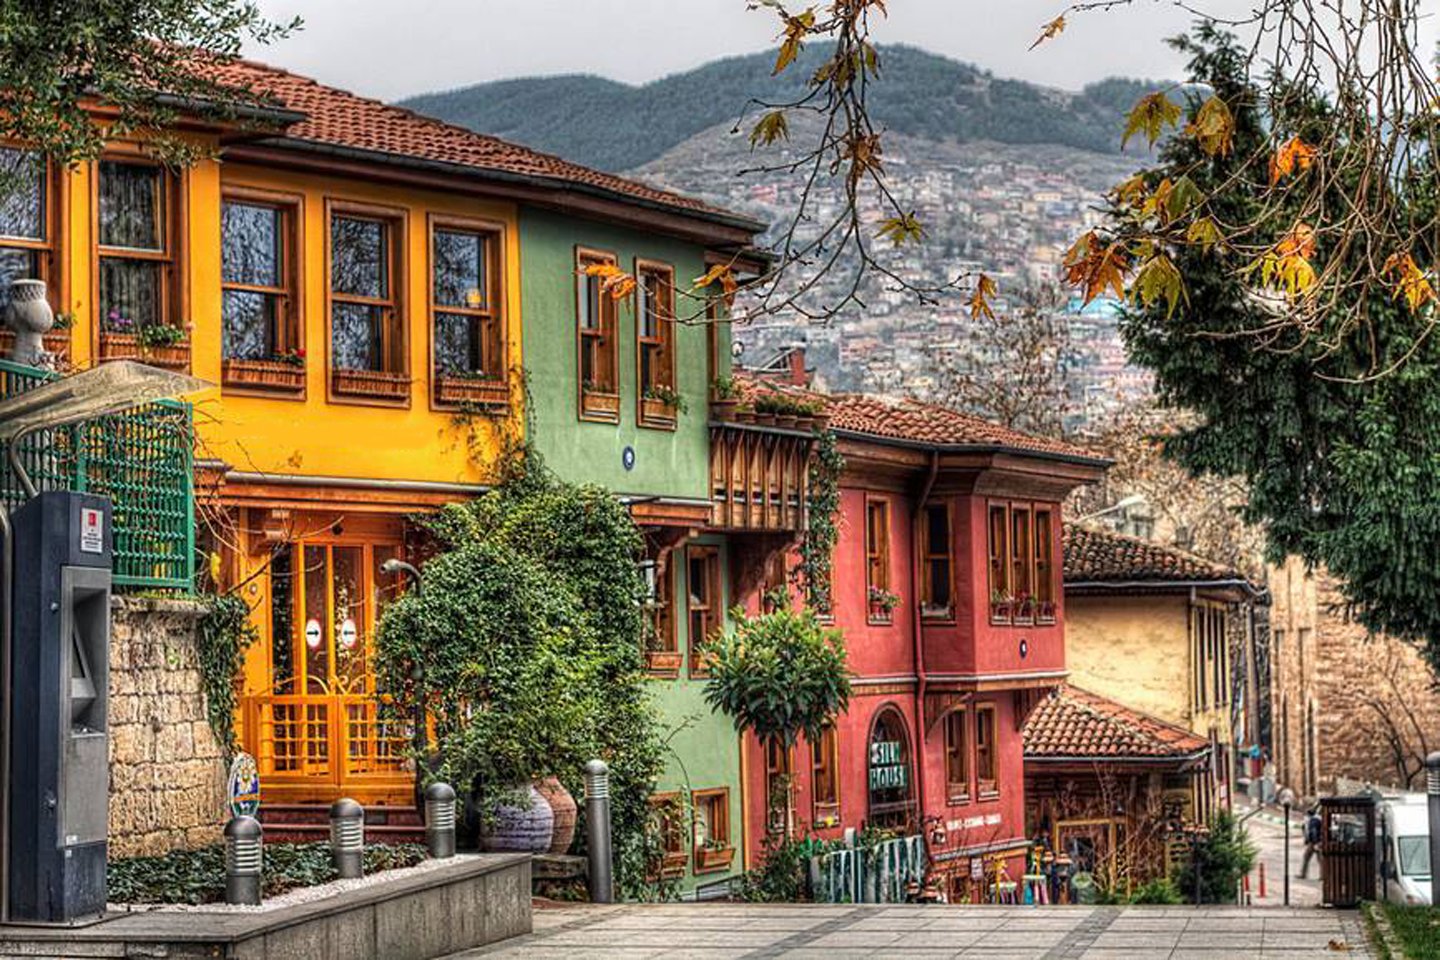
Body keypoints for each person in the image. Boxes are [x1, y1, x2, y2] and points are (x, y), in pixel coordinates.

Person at [1298, 805, 1322, 879]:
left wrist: (1315, 843)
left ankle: (1303, 874)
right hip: (1317, 841)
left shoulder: (1313, 820)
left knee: (1307, 857)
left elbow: (1313, 831)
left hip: (1314, 842)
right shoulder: (1317, 819)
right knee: (1320, 859)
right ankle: (1322, 876)